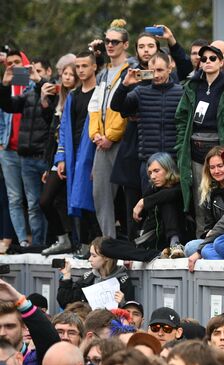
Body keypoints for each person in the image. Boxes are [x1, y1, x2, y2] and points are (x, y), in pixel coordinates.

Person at [175, 44, 224, 232]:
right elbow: (181, 118)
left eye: (212, 58)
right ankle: (201, 241)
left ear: (222, 61)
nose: (207, 62)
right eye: (204, 59)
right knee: (200, 199)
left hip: (222, 150)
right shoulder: (192, 86)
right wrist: (180, 145)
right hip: (194, 150)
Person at [47, 50, 99, 257]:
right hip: (73, 153)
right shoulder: (73, 96)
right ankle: (84, 243)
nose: (80, 70)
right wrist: (61, 158)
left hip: (93, 151)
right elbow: (65, 129)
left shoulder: (100, 92)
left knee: (89, 198)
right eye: (78, 66)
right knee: (76, 199)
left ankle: (95, 243)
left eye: (84, 66)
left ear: (94, 66)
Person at [88, 19, 135, 238]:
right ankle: (108, 240)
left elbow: (125, 109)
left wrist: (112, 135)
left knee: (128, 193)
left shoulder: (132, 70)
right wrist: (96, 134)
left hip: (123, 140)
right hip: (102, 141)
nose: (110, 45)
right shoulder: (103, 72)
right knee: (100, 193)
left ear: (125, 44)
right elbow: (95, 106)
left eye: (115, 42)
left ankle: (132, 241)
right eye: (107, 41)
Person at [0, 51, 52, 248]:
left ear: (48, 72)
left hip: (45, 157)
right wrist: (5, 85)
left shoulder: (52, 90)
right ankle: (36, 243)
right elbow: (7, 105)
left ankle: (49, 241)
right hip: (26, 158)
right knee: (32, 205)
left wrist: (38, 81)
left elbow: (51, 107)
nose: (34, 74)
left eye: (38, 71)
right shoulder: (27, 96)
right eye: (33, 71)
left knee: (47, 203)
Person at [111, 52, 183, 191]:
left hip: (173, 160)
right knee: (148, 207)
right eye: (152, 71)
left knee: (173, 210)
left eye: (160, 70)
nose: (156, 75)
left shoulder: (182, 92)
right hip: (149, 161)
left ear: (169, 69)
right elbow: (116, 106)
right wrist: (125, 84)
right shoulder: (141, 92)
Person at [100, 152, 188, 261]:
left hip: (176, 241)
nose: (153, 176)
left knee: (166, 199)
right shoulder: (151, 190)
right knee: (105, 245)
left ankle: (175, 244)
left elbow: (172, 194)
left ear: (168, 169)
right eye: (150, 173)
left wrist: (143, 202)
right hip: (148, 244)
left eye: (157, 171)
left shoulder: (180, 188)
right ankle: (155, 255)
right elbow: (136, 220)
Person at [39, 62, 79, 255]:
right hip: (57, 157)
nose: (68, 77)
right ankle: (63, 239)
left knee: (71, 202)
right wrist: (49, 166)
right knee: (46, 201)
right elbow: (51, 134)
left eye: (72, 74)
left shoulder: (80, 97)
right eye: (65, 74)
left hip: (76, 156)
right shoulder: (59, 100)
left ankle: (79, 241)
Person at [183, 146, 224, 256]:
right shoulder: (210, 192)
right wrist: (208, 233)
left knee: (217, 246)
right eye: (212, 167)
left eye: (220, 166)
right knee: (190, 247)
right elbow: (208, 226)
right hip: (215, 238)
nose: (216, 171)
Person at [56, 237, 134, 309]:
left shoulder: (123, 281)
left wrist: (123, 303)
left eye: (94, 256)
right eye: (90, 255)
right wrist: (66, 275)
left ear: (106, 257)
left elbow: (130, 315)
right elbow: (65, 303)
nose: (89, 259)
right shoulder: (87, 278)